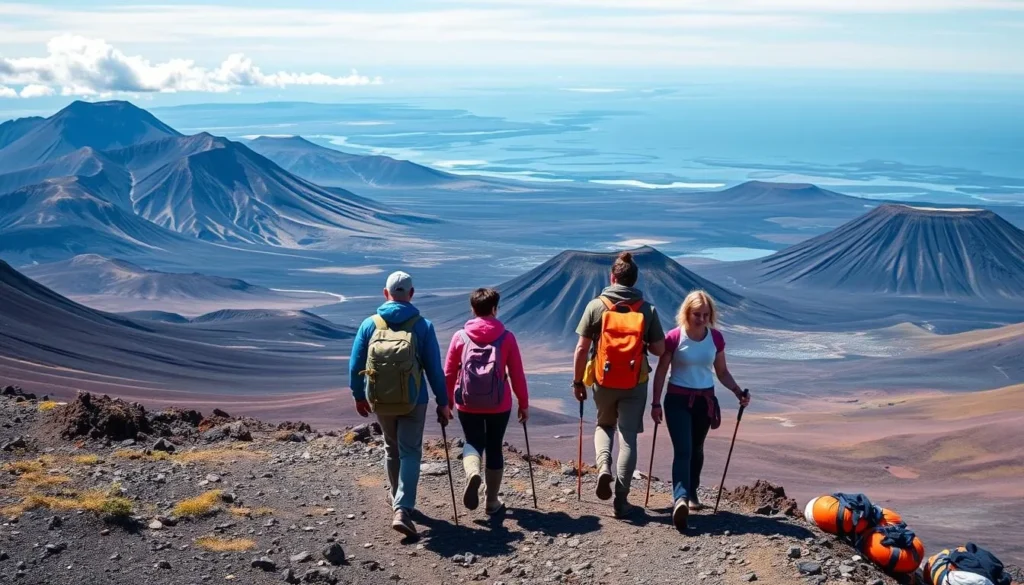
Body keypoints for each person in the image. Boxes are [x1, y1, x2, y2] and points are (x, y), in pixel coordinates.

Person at [349, 270, 451, 538]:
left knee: (391, 449)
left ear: (386, 294)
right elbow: (434, 370)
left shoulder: (369, 324)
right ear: (412, 294)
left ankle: (397, 501)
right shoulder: (423, 326)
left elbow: (356, 364)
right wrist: (443, 402)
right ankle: (403, 508)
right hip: (414, 400)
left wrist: (358, 395)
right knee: (410, 452)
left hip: (381, 399)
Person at [572, 251, 665, 518]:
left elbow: (581, 349)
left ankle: (603, 468)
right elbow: (658, 349)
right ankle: (621, 500)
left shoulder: (596, 306)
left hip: (603, 380)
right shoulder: (647, 310)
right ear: (634, 281)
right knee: (628, 438)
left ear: (612, 277)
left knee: (604, 425)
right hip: (635, 382)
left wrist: (577, 381)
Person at [651, 290, 751, 532]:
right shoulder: (674, 337)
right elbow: (662, 371)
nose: (702, 319)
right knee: (683, 449)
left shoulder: (715, 339)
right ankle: (681, 499)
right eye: (697, 314)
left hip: (705, 401)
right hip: (677, 400)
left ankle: (692, 491)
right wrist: (655, 403)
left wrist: (738, 392)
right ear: (687, 313)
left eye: (706, 315)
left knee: (697, 448)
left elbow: (722, 372)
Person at [443, 287, 529, 515]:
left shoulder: (459, 337)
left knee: (472, 441)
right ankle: (491, 502)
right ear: (495, 309)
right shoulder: (506, 337)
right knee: (494, 447)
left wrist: (447, 403)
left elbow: (449, 373)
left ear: (472, 309)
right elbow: (517, 374)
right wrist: (523, 403)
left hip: (467, 402)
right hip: (499, 404)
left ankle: (473, 473)